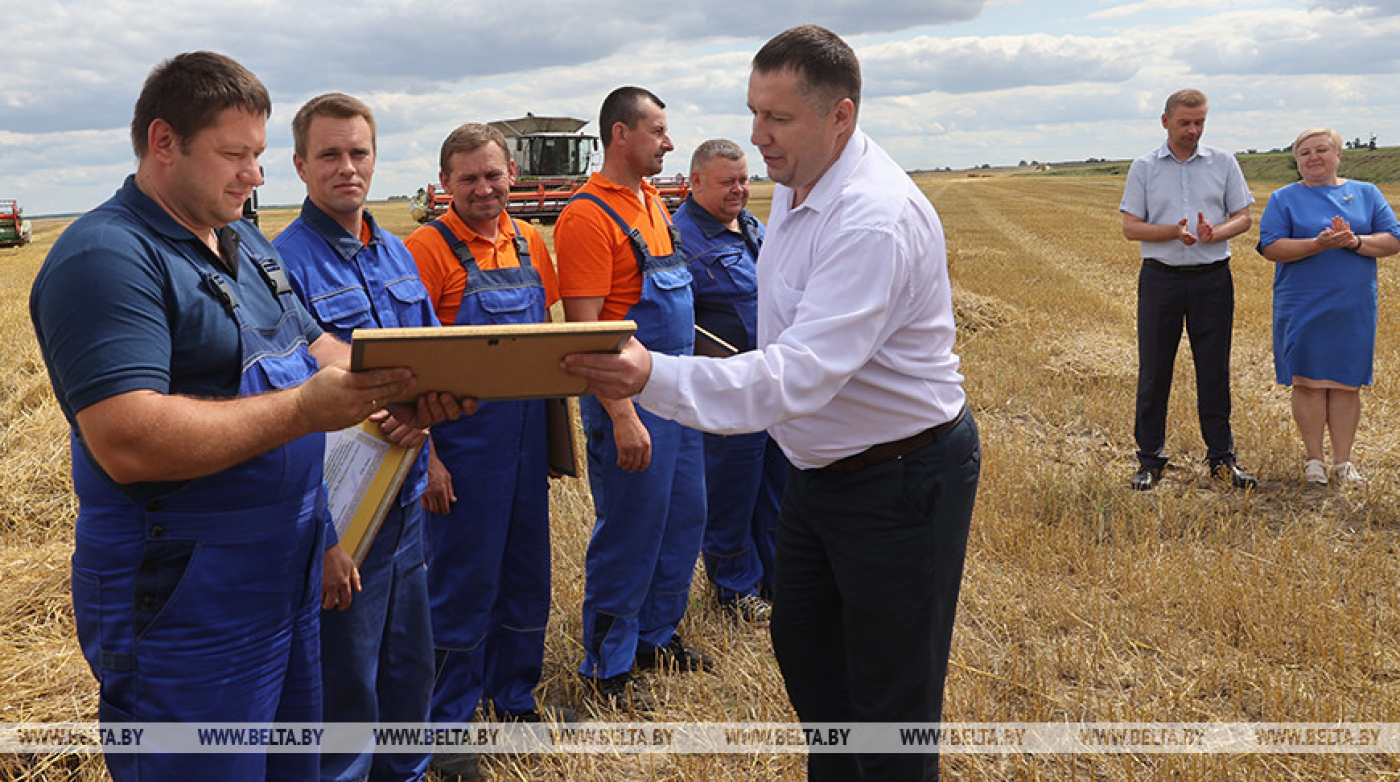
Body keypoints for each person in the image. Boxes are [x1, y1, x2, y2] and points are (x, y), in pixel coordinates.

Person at [28, 53, 461, 782]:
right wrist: (302, 411)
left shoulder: (246, 244)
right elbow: (128, 440)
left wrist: (415, 385)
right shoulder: (106, 257)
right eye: (235, 155)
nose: (254, 176)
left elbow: (321, 350)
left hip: (285, 575)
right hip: (187, 597)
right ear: (164, 142)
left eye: (258, 155)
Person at [564, 26, 980, 781]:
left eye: (778, 118)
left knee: (889, 702)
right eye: (755, 113)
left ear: (840, 116)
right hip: (820, 472)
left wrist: (649, 376)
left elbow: (799, 373)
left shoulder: (872, 217)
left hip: (898, 478)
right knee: (810, 656)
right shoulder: (793, 188)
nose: (758, 136)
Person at [271, 92, 439, 782]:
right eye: (330, 154)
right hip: (343, 511)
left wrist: (427, 424)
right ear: (300, 165)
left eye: (358, 152)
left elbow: (435, 362)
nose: (347, 167)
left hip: (405, 500)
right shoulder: (281, 267)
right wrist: (325, 538)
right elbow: (287, 410)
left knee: (409, 671)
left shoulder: (396, 251)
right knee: (346, 687)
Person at [403, 123, 571, 780]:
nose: (483, 188)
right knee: (460, 584)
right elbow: (410, 371)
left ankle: (515, 701)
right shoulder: (425, 250)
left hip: (523, 444)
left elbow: (544, 343)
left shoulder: (530, 241)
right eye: (468, 178)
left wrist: (553, 443)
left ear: (512, 176)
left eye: (493, 175)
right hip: (463, 450)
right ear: (445, 184)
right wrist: (429, 461)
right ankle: (447, 723)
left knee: (526, 575)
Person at [553, 86, 709, 705]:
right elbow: (587, 332)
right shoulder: (588, 216)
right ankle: (607, 665)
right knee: (631, 529)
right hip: (631, 403)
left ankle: (655, 636)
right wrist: (621, 416)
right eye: (658, 130)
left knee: (683, 517)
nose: (669, 142)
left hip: (677, 392)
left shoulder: (652, 202)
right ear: (621, 134)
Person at [672, 138, 786, 623]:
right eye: (727, 182)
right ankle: (734, 591)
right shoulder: (679, 240)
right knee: (732, 494)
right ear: (696, 182)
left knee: (777, 490)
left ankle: (776, 581)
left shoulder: (754, 227)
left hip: (772, 383)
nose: (739, 189)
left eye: (743, 179)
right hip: (727, 390)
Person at [1121, 88, 1257, 491]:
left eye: (1200, 122)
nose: (1193, 130)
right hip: (1160, 279)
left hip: (1213, 279)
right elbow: (1130, 227)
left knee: (1214, 371)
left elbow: (1243, 217)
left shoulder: (1224, 162)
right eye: (1185, 122)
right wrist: (1172, 232)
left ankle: (1222, 460)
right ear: (1166, 121)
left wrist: (1217, 232)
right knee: (1154, 371)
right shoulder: (1144, 167)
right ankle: (1150, 460)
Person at [1256, 127, 1400, 486]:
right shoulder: (1283, 198)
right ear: (1296, 161)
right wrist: (1318, 244)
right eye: (1304, 153)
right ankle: (1314, 461)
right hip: (1301, 304)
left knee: (1346, 385)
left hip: (1352, 306)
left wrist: (1354, 241)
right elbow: (1271, 247)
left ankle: (1343, 462)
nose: (1313, 158)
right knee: (1307, 383)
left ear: (1339, 155)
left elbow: (1393, 239)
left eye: (1321, 150)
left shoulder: (1366, 193)